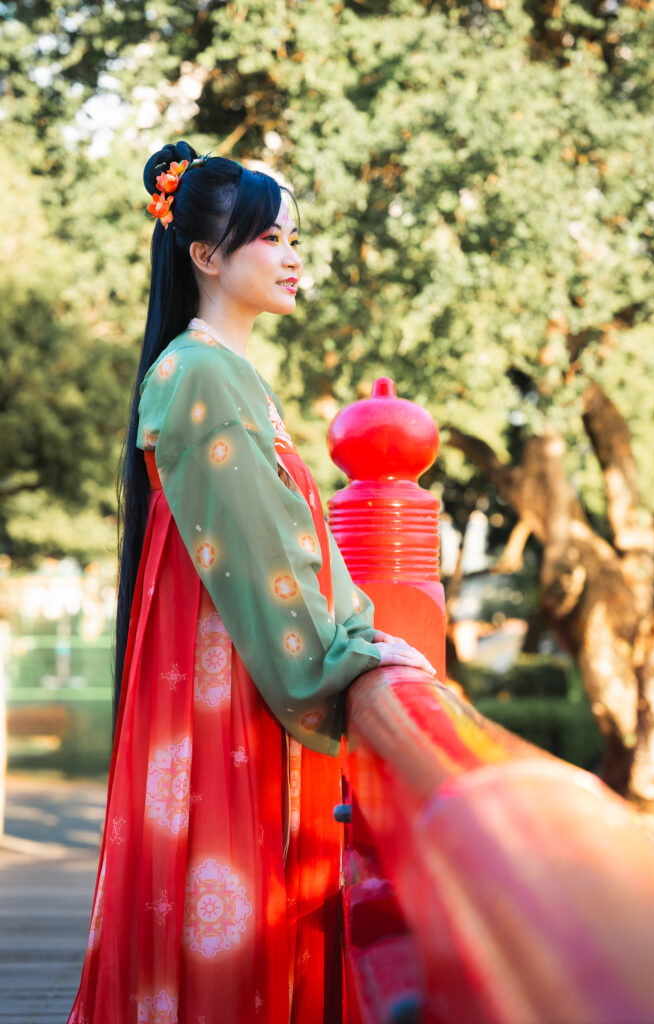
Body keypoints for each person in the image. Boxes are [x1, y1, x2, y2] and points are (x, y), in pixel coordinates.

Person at [68, 141, 434, 1024]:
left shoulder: (214, 373)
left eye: (294, 236)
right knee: (232, 911)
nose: (294, 255)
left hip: (219, 683)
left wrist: (355, 633)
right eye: (271, 237)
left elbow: (286, 546)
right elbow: (271, 559)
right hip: (226, 691)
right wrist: (345, 654)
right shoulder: (204, 376)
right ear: (206, 256)